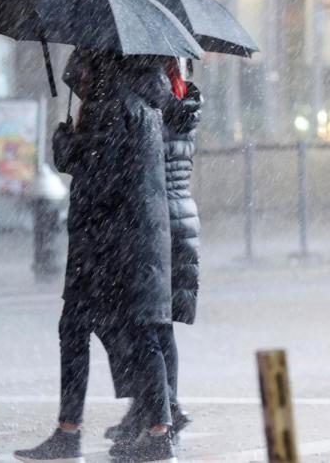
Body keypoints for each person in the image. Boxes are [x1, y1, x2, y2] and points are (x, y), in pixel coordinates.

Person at [14, 49, 176, 463]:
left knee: (85, 331)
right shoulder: (144, 102)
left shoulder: (112, 105)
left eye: (79, 75)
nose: (77, 83)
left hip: (107, 244)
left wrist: (65, 144)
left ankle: (77, 433)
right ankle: (155, 429)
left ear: (96, 69)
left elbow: (99, 173)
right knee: (139, 332)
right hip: (132, 241)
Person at [104, 58, 201, 451]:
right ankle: (156, 410)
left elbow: (130, 165)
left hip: (154, 219)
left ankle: (161, 413)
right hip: (181, 218)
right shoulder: (182, 100)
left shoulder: (147, 105)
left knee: (145, 324)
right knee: (160, 324)